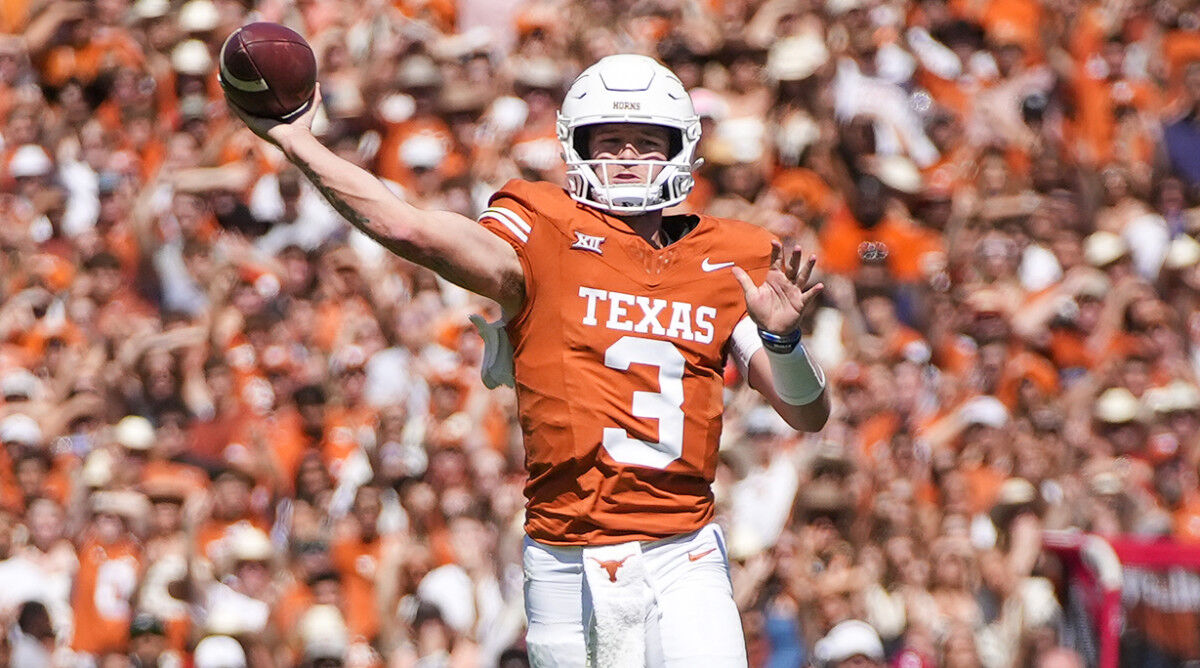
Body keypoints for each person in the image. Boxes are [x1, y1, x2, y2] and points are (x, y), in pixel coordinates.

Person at [231, 53, 829, 667]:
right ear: (576, 145)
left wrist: (783, 342)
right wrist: (296, 141)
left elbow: (806, 414)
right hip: (564, 553)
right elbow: (409, 229)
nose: (626, 157)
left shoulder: (734, 254)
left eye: (646, 141)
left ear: (682, 149)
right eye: (610, 140)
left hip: (683, 550)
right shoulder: (543, 228)